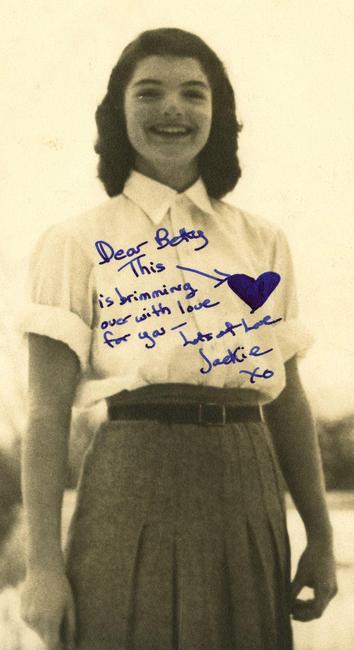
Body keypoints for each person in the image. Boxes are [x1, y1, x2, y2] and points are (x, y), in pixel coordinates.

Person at [20, 27, 337, 650]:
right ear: (118, 111)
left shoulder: (261, 240)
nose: (173, 109)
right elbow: (47, 411)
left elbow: (289, 401)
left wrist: (322, 540)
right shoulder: (76, 239)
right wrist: (43, 568)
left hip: (248, 484)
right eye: (150, 92)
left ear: (218, 113)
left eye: (195, 93)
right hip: (131, 482)